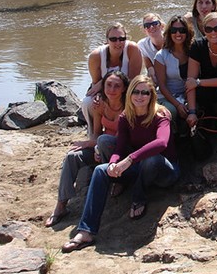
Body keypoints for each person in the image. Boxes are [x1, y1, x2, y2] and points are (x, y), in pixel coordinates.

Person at [61, 75, 179, 253]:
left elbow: (161, 143)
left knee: (151, 159)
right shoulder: (126, 116)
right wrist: (114, 163)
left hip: (165, 170)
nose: (140, 96)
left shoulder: (161, 115)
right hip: (139, 167)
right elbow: (119, 146)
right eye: (136, 92)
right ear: (130, 94)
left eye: (145, 93)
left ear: (152, 95)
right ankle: (86, 231)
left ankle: (139, 195)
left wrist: (129, 159)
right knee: (101, 170)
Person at [45, 71, 129, 228]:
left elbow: (121, 140)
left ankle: (115, 181)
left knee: (104, 141)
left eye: (117, 86)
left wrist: (94, 145)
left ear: (124, 88)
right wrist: (93, 145)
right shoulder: (101, 105)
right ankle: (61, 205)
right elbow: (96, 132)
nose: (112, 89)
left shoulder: (128, 108)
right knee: (72, 156)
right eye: (108, 85)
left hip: (119, 151)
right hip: (101, 146)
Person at [81, 23, 143, 138]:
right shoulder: (95, 56)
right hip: (105, 91)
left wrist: (103, 82)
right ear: (106, 41)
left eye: (121, 39)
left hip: (126, 90)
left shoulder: (133, 49)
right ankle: (93, 134)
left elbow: (133, 81)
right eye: (113, 39)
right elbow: (96, 85)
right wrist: (100, 91)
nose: (118, 43)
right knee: (88, 103)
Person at [155, 15, 192, 121]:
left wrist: (186, 99)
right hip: (167, 97)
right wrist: (178, 105)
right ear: (169, 33)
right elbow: (162, 86)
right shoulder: (161, 56)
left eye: (182, 30)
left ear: (187, 32)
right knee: (172, 111)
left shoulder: (193, 51)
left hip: (187, 94)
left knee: (195, 108)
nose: (178, 34)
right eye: (174, 30)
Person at [137, 13, 165, 84]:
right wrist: (151, 71)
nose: (151, 27)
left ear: (162, 26)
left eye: (155, 23)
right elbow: (147, 61)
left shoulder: (172, 39)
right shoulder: (142, 44)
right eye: (147, 26)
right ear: (144, 30)